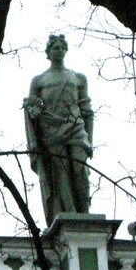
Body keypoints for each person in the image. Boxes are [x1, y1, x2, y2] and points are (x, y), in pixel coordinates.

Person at [23, 33, 94, 224]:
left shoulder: (78, 78)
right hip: (51, 131)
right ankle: (69, 212)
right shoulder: (39, 80)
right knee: (60, 172)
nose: (59, 51)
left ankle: (84, 211)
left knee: (80, 170)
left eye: (62, 48)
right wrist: (34, 110)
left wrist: (90, 140)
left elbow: (87, 112)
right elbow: (31, 109)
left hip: (76, 129)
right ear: (48, 52)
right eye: (55, 48)